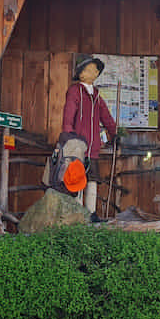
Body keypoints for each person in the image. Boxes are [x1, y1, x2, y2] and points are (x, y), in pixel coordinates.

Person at [61, 55, 118, 212]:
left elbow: (106, 116)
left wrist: (114, 133)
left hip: (93, 147)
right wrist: (68, 134)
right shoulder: (75, 91)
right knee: (77, 177)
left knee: (92, 178)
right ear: (80, 74)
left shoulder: (97, 95)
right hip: (77, 144)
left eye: (95, 70)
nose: (93, 72)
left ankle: (91, 212)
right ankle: (79, 212)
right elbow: (69, 113)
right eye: (88, 69)